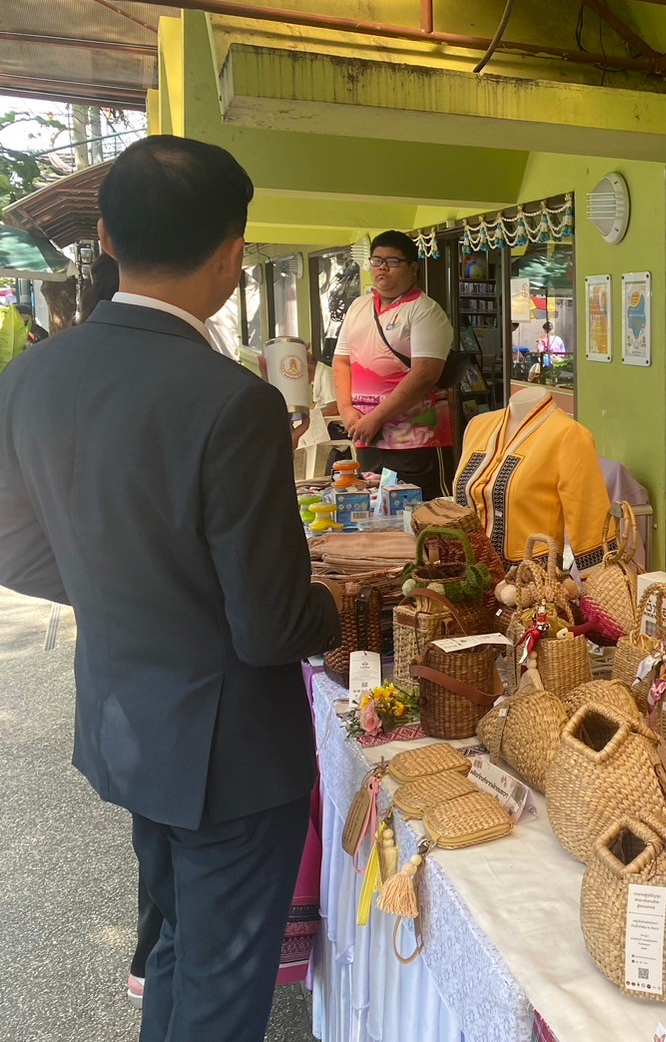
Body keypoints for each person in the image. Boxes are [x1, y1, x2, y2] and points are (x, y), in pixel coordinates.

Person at [0, 134, 342, 1041]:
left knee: (177, 952)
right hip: (232, 753)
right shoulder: (232, 399)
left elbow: (14, 552)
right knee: (219, 990)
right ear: (232, 254)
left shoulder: (30, 376)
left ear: (107, 237)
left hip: (128, 724)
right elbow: (272, 624)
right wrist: (337, 606)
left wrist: (129, 587)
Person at [333, 230, 455, 496]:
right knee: (372, 507)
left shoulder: (425, 310)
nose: (382, 268)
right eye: (377, 261)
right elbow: (341, 361)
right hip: (367, 437)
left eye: (393, 261)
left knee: (421, 509)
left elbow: (425, 375)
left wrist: (376, 418)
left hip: (415, 440)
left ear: (413, 268)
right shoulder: (358, 307)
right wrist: (346, 410)